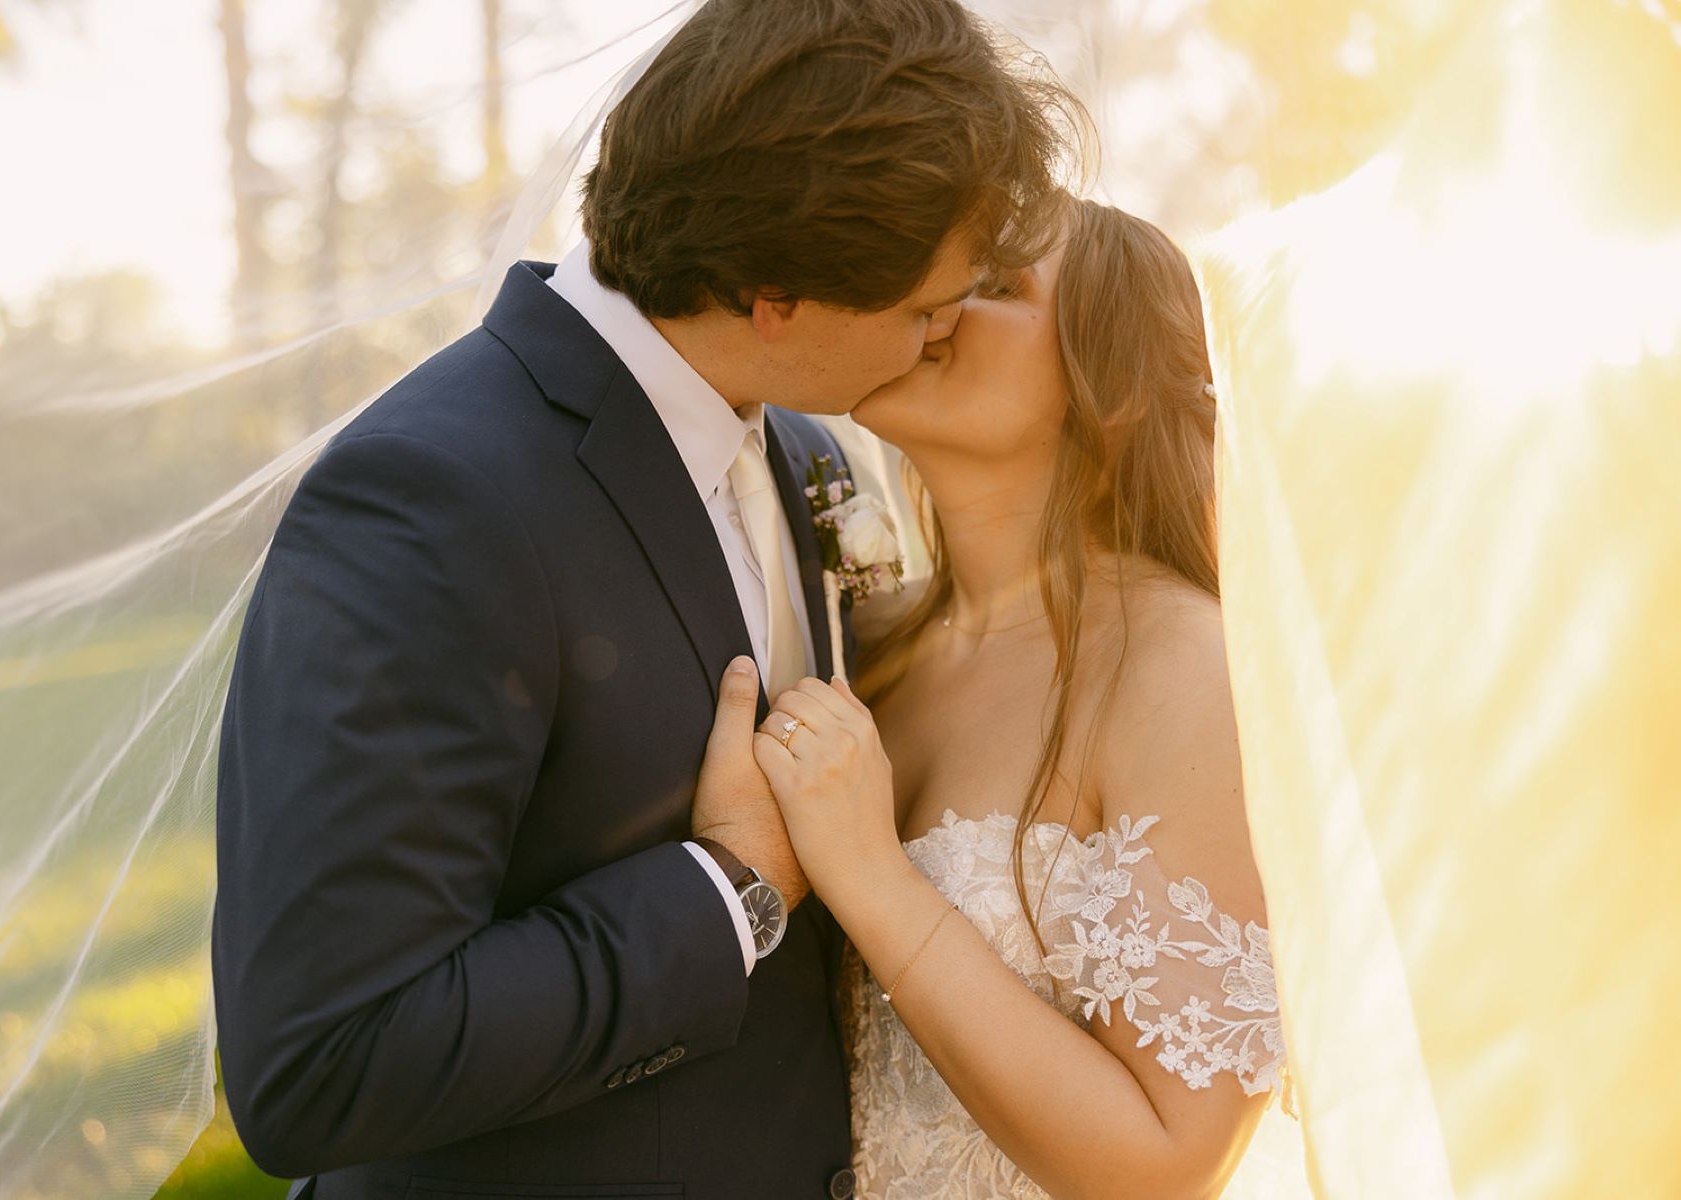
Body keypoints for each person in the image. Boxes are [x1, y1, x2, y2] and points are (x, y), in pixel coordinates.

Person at [210, 1, 1073, 1197]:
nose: (940, 339)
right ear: (777, 296)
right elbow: (320, 1062)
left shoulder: (802, 452)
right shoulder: (433, 499)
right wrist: (729, 888)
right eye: (925, 311)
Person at [749, 197, 1290, 1197]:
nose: (937, 304)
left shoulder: (1185, 671)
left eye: (996, 286)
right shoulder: (861, 642)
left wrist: (870, 876)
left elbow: (1161, 1167)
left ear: (1111, 384)